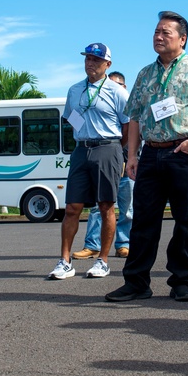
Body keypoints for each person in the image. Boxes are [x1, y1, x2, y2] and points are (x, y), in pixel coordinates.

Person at [106, 11, 188, 302]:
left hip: (181, 153)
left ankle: (181, 281)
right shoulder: (145, 73)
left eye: (165, 33)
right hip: (150, 154)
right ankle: (136, 282)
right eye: (156, 32)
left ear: (182, 38)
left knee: (184, 220)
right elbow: (134, 117)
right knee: (143, 220)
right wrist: (132, 155)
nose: (158, 37)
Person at [49, 44, 130, 280]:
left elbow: (128, 125)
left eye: (96, 59)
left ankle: (103, 261)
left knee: (106, 206)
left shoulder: (117, 91)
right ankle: (65, 262)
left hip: (108, 148)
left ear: (108, 64)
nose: (90, 63)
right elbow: (70, 117)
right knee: (72, 207)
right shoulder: (74, 90)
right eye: (87, 59)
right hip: (81, 150)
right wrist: (84, 131)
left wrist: (116, 149)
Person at [72, 70, 133, 260]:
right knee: (98, 207)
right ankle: (92, 245)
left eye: (118, 84)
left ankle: (123, 244)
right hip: (100, 159)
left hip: (122, 162)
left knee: (126, 208)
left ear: (123, 87)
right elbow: (73, 120)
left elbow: (130, 132)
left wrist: (118, 152)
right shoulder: (86, 97)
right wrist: (87, 129)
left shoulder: (125, 104)